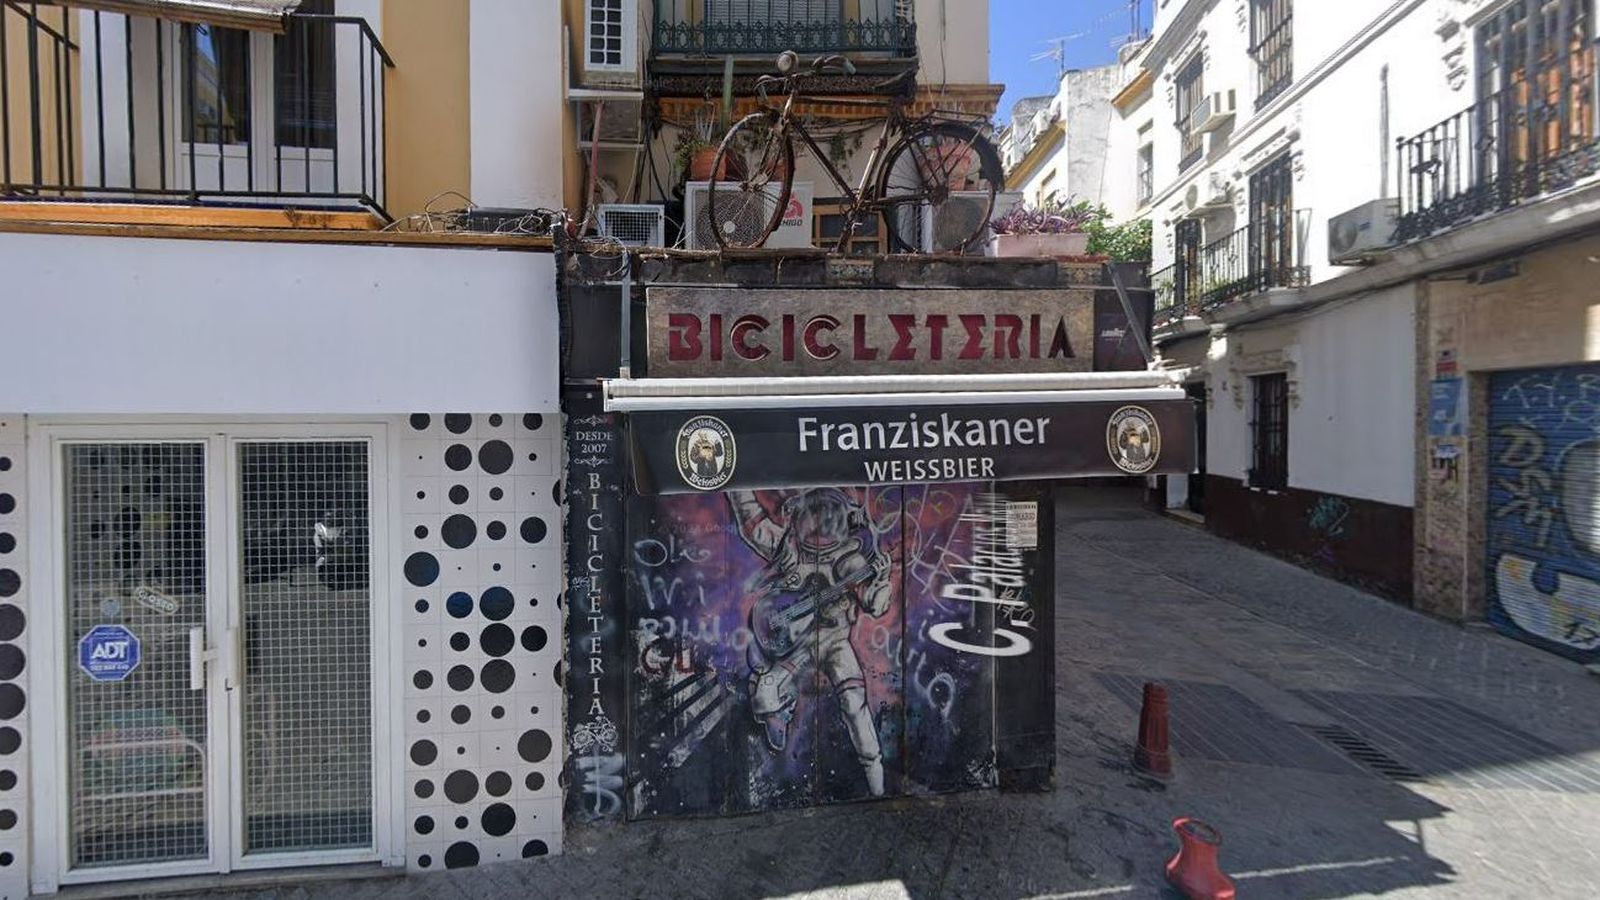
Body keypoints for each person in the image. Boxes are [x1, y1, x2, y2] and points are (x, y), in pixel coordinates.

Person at [729, 488, 893, 796]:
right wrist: (735, 485)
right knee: (765, 697)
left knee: (855, 707)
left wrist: (881, 583)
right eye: (814, 516)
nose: (820, 526)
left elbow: (872, 601)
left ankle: (876, 782)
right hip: (796, 644)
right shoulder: (789, 547)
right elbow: (752, 523)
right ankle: (778, 713)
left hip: (835, 642)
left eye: (827, 518)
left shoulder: (848, 559)